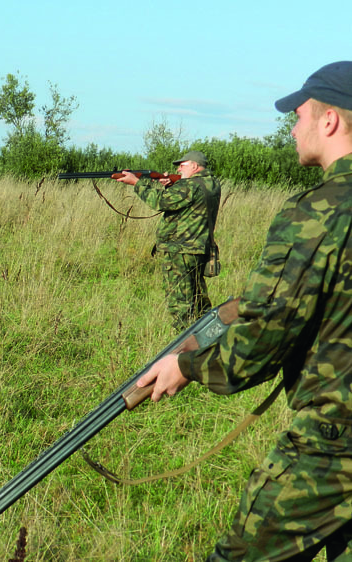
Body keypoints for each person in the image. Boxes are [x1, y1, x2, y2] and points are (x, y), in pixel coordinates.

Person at [136, 60, 352, 560]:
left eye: (299, 115)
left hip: (334, 444)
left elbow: (264, 340)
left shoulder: (318, 210)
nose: (293, 127)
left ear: (330, 121)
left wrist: (186, 365)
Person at [116, 150, 221, 331]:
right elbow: (185, 203)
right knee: (198, 299)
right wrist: (170, 185)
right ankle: (211, 336)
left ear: (195, 166)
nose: (179, 169)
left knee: (181, 303)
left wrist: (137, 183)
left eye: (183, 165)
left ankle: (186, 347)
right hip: (197, 249)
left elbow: (161, 202)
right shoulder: (211, 183)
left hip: (179, 251)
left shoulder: (189, 186)